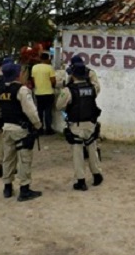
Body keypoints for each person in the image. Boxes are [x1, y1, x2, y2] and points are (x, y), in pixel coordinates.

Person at [0, 63, 43, 201]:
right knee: (24, 159)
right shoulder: (22, 90)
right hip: (21, 130)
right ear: (17, 74)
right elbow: (30, 111)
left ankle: (7, 187)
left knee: (8, 158)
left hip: (6, 129)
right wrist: (38, 125)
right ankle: (24, 189)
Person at [63, 55, 103, 191]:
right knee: (92, 147)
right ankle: (97, 174)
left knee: (77, 152)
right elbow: (96, 90)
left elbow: (59, 104)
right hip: (90, 119)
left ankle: (81, 180)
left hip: (77, 122)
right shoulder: (91, 84)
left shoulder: (70, 87)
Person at [31, 52, 57, 135]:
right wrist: (53, 85)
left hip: (38, 93)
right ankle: (48, 129)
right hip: (49, 92)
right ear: (48, 59)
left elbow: (33, 80)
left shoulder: (34, 67)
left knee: (39, 111)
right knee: (48, 111)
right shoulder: (50, 68)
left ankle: (39, 129)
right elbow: (53, 80)